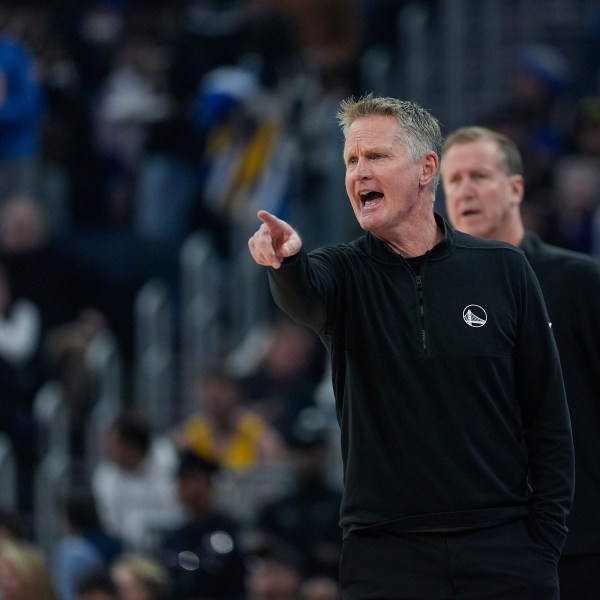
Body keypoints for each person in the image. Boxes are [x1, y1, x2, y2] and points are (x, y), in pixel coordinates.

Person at [247, 93, 574, 599]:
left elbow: (547, 416)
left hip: (504, 550)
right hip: (385, 556)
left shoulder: (503, 269)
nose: (359, 172)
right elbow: (304, 296)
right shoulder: (342, 273)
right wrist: (286, 262)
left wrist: (543, 541)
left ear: (426, 169)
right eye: (351, 161)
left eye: (376, 156)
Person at [441, 125, 600, 600]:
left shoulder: (579, 282)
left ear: (515, 187)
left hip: (580, 543)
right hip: (479, 551)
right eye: (454, 180)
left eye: (480, 176)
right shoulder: (431, 299)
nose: (465, 190)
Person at [158, 449, 246, 600]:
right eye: (181, 482)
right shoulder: (175, 537)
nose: (183, 489)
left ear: (207, 483)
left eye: (190, 480)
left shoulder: (231, 529)